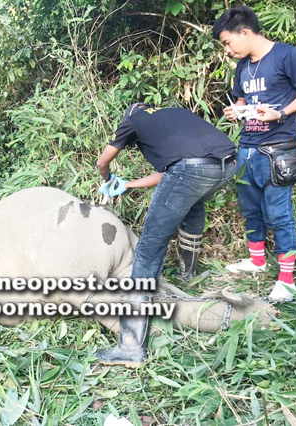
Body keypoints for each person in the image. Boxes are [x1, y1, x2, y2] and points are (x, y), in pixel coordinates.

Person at [95, 103, 237, 367]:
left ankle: (131, 347)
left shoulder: (133, 120)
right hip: (226, 165)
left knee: (148, 250)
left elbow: (104, 160)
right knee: (193, 208)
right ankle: (189, 275)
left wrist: (107, 179)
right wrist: (128, 185)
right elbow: (172, 170)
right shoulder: (174, 114)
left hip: (190, 170)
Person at [213, 6, 296, 300]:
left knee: (279, 213)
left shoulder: (288, 55)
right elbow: (242, 99)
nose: (227, 49)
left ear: (244, 32)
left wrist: (281, 113)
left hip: (279, 148)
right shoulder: (243, 67)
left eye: (227, 42)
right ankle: (258, 261)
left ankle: (286, 281)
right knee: (251, 208)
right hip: (248, 146)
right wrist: (237, 110)